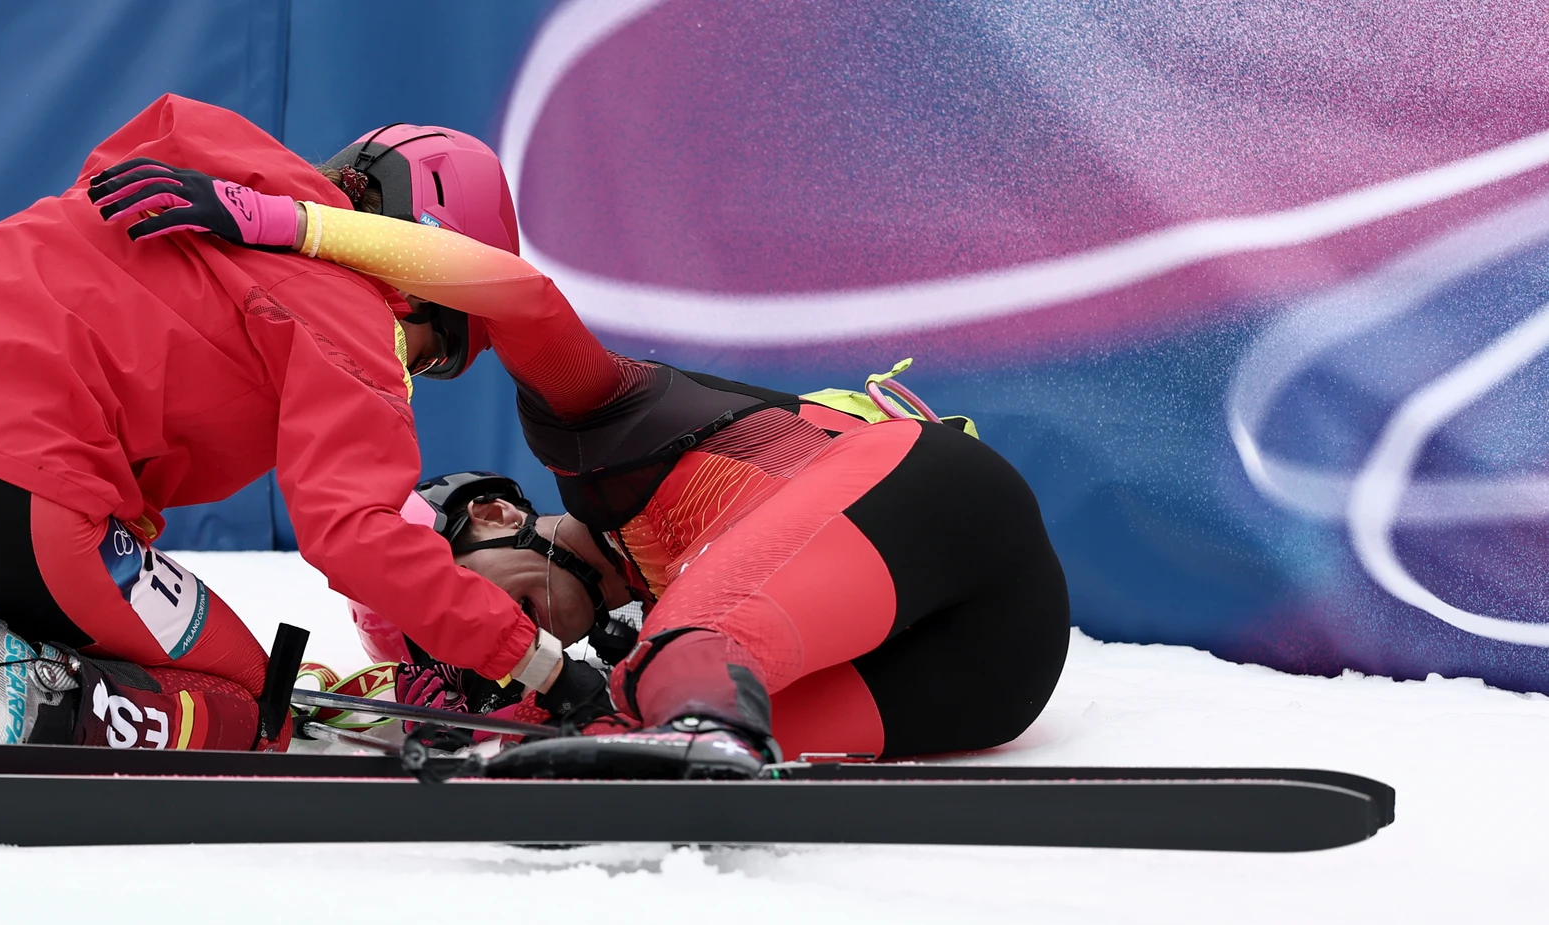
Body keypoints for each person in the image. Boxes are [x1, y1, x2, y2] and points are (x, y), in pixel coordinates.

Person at [97, 165, 1071, 778]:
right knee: (623, 719)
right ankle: (700, 735)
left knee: (685, 663)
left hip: (938, 500)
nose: (495, 639)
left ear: (483, 517)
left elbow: (517, 298)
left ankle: (703, 730)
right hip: (991, 674)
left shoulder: (595, 435)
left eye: (470, 609)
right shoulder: (656, 620)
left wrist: (288, 226)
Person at [0, 95, 600, 751]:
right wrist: (538, 665)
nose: (414, 367)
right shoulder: (351, 308)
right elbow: (355, 532)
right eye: (439, 349)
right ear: (423, 268)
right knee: (252, 696)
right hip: (1, 498)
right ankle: (45, 701)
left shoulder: (161, 199)